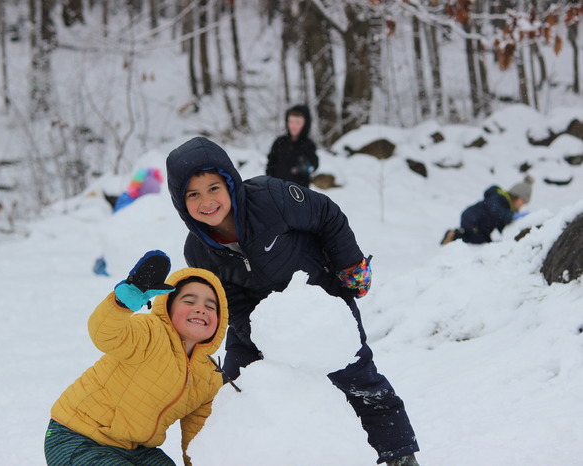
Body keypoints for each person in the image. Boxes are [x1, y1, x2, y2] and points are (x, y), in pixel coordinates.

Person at [166, 137, 420, 466]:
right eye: (193, 194)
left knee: (357, 379)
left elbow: (327, 216)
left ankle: (399, 453)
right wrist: (262, 338)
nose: (207, 201)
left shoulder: (272, 198)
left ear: (231, 183)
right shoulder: (197, 250)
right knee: (235, 389)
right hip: (258, 323)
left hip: (321, 304)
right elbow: (232, 304)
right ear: (180, 201)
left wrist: (350, 264)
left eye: (214, 188)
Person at [45, 250, 229, 466]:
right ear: (168, 307)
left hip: (136, 450)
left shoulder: (210, 376)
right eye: (189, 301)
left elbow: (197, 436)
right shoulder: (149, 333)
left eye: (210, 306)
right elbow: (105, 333)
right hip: (77, 436)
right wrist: (125, 301)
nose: (200, 309)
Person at [441, 175, 534, 245]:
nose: (521, 207)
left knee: (487, 242)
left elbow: (500, 223)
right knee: (478, 240)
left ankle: (457, 235)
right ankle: (453, 236)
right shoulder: (499, 197)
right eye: (522, 203)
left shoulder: (507, 206)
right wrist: (512, 216)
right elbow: (495, 210)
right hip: (473, 219)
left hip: (481, 226)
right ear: (518, 198)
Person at [265, 104, 319, 188]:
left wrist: (306, 164)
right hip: (278, 189)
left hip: (299, 192)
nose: (293, 126)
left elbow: (314, 165)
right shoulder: (280, 142)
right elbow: (270, 165)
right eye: (291, 121)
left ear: (305, 123)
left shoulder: (308, 145)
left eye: (298, 122)